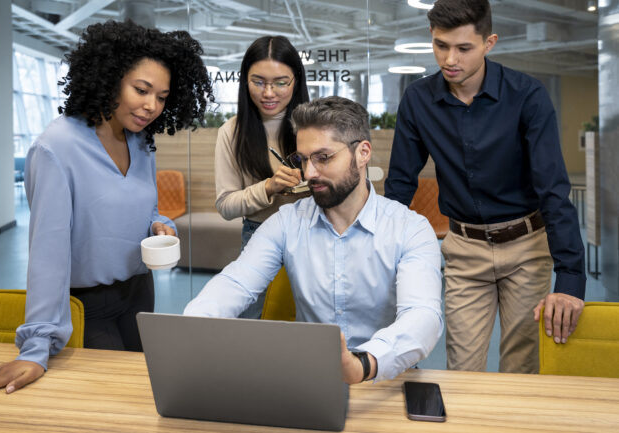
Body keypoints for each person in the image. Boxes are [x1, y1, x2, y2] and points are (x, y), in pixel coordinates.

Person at [0, 20, 212, 398]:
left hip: (140, 294)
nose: (152, 106)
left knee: (146, 397)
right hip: (88, 305)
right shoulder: (57, 148)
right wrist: (36, 349)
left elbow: (146, 211)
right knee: (112, 402)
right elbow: (48, 255)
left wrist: (160, 225)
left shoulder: (141, 142)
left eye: (162, 96)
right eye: (141, 90)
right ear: (110, 78)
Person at [384, 0, 585, 374]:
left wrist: (571, 278)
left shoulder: (527, 95)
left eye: (464, 48)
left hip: (527, 247)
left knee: (522, 369)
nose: (449, 59)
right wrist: (379, 255)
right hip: (464, 249)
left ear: (489, 42)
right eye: (441, 45)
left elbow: (553, 189)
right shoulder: (418, 100)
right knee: (462, 370)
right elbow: (399, 186)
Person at [185, 96, 443, 383]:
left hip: (385, 378)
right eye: (303, 159)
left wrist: (362, 364)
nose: (308, 173)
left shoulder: (410, 229)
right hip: (313, 380)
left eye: (323, 158)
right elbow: (235, 283)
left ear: (363, 153)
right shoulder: (286, 222)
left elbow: (423, 316)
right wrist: (191, 327)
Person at [214, 35, 310, 319]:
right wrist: (269, 187)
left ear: (296, 81)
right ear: (245, 81)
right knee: (251, 324)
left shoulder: (318, 125)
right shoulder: (231, 132)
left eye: (281, 82)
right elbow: (226, 205)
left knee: (313, 323)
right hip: (259, 235)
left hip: (315, 233)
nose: (269, 93)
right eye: (259, 82)